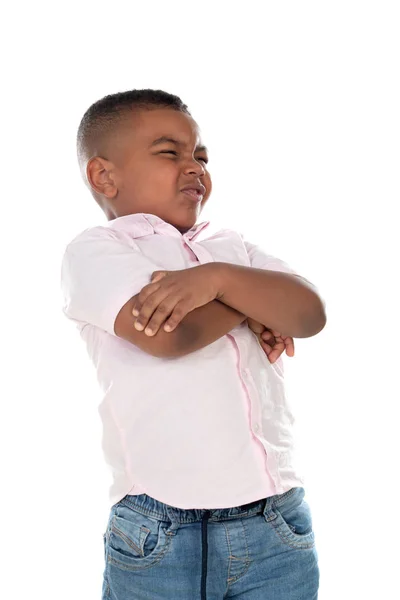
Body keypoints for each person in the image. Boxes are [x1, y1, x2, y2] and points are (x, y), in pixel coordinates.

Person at [61, 89, 326, 599]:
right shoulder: (98, 251)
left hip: (277, 522)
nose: (194, 167)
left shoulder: (231, 247)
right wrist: (249, 303)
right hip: (160, 533)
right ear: (104, 175)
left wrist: (218, 277)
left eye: (201, 156)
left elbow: (309, 313)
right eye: (170, 153)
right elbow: (169, 335)